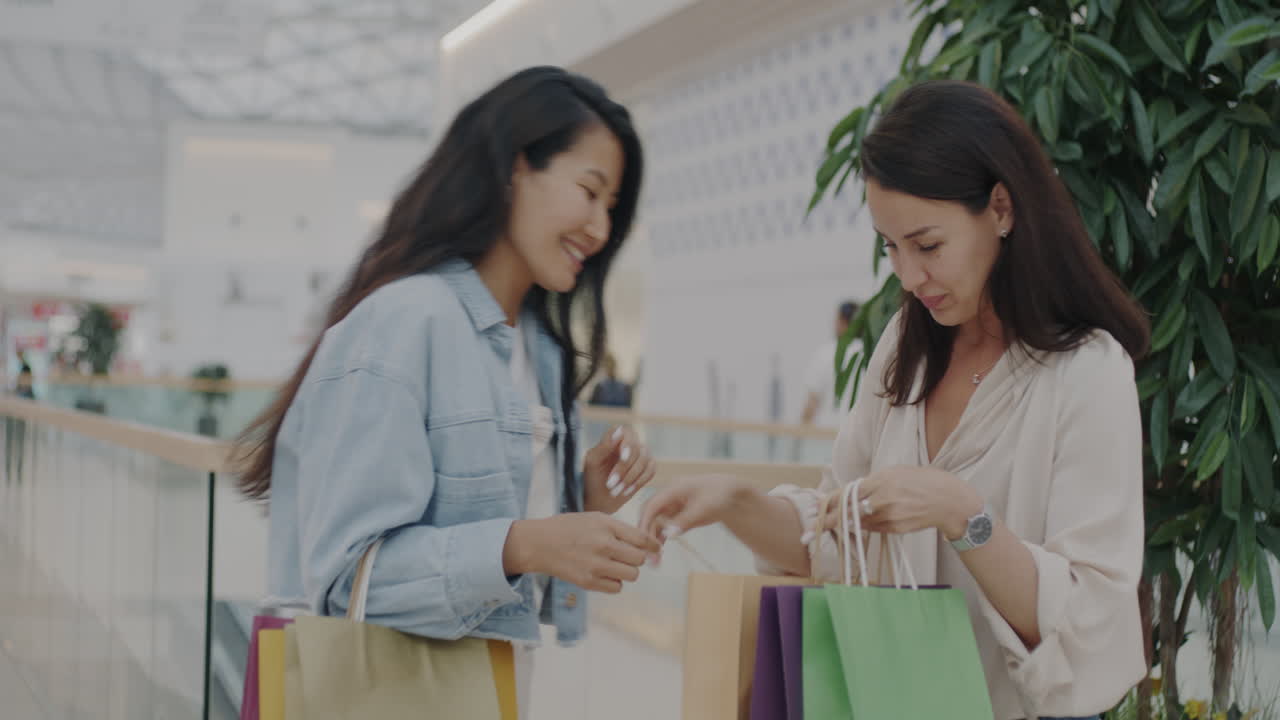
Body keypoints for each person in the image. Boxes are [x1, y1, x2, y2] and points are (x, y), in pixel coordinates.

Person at [641, 80, 1150, 720]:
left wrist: (962, 514)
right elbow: (839, 539)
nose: (909, 277)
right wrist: (736, 502)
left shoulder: (1087, 371)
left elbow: (1088, 620)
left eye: (927, 245)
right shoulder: (906, 346)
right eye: (891, 246)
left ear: (1001, 208)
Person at [234, 66, 660, 717]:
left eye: (612, 207)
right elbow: (347, 580)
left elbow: (495, 556)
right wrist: (527, 542)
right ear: (515, 168)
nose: (601, 229)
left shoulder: (541, 350)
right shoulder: (406, 321)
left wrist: (580, 503)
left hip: (489, 692)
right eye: (589, 191)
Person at [800, 299, 862, 428]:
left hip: (827, 435)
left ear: (841, 322)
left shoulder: (825, 353)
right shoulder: (870, 354)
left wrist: (798, 437)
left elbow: (812, 403)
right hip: (859, 435)